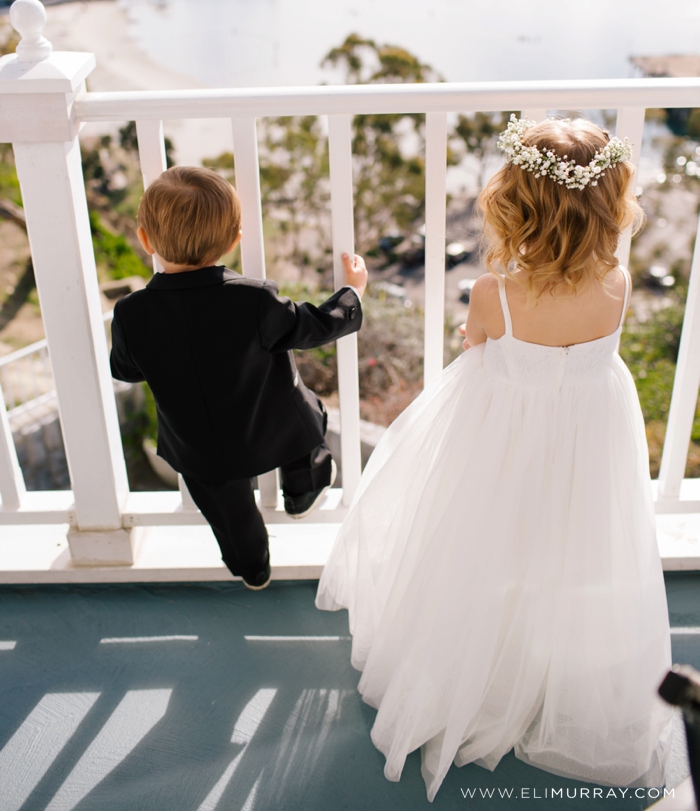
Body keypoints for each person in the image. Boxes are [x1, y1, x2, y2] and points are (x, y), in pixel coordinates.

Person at [316, 116, 673, 800]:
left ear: (515, 206)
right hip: (589, 435)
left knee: (486, 544)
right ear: (608, 205)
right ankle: (550, 668)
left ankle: (485, 662)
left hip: (506, 436)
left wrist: (482, 332)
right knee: (573, 550)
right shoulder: (618, 282)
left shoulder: (493, 293)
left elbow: (479, 344)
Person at [110, 165, 367, 591]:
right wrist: (352, 292)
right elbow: (315, 327)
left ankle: (252, 568)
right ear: (234, 240)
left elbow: (126, 370)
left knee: (228, 514)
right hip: (271, 430)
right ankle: (303, 489)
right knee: (307, 413)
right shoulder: (254, 299)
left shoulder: (132, 312)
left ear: (145, 239)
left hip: (198, 449)